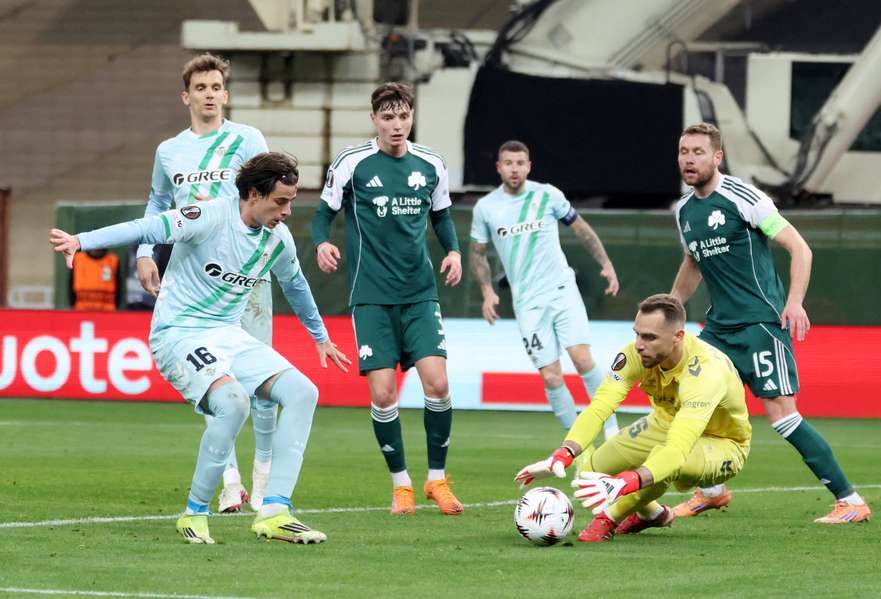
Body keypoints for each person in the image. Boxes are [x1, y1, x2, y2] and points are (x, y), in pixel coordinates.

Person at [51, 152, 351, 544]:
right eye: (281, 201)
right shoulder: (208, 217)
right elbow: (148, 226)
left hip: (228, 333)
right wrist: (81, 240)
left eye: (291, 201)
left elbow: (296, 286)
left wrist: (321, 337)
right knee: (234, 403)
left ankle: (275, 510)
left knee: (302, 391)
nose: (288, 211)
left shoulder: (278, 240)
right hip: (178, 332)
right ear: (254, 195)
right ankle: (195, 513)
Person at [670, 123, 870, 523]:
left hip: (760, 323)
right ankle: (711, 492)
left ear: (717, 157)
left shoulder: (742, 197)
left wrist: (794, 303)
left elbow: (799, 247)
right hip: (717, 331)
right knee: (693, 402)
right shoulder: (684, 211)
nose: (689, 159)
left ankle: (850, 501)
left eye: (697, 152)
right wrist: (671, 306)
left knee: (782, 415)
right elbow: (694, 262)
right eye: (683, 151)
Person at [311, 82, 464, 516]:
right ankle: (402, 486)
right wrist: (322, 243)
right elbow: (323, 215)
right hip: (371, 296)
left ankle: (437, 480)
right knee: (382, 395)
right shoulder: (351, 164)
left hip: (420, 294)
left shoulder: (431, 164)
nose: (397, 125)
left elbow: (442, 216)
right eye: (388, 117)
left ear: (411, 117)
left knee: (438, 383)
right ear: (374, 119)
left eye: (404, 116)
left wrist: (452, 251)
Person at [136, 53, 275, 513]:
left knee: (264, 386)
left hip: (246, 276)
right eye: (201, 88)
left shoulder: (246, 139)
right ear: (186, 96)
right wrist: (143, 250)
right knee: (218, 383)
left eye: (217, 87)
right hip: (194, 283)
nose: (210, 95)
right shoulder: (169, 151)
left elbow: (270, 195)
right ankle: (231, 484)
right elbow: (157, 201)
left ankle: (263, 483)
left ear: (226, 95)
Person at [515, 294, 751, 543]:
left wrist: (627, 481)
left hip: (723, 443)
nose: (639, 344)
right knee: (589, 474)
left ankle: (609, 519)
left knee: (668, 463)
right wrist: (564, 453)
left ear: (678, 337)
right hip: (665, 422)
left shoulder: (705, 373)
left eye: (649, 337)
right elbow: (600, 406)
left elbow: (676, 449)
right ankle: (654, 514)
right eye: (637, 334)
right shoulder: (635, 354)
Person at [469, 140, 620, 444]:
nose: (515, 169)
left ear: (529, 166)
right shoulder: (486, 208)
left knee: (581, 358)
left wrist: (605, 263)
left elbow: (582, 229)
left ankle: (612, 431)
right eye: (508, 163)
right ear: (499, 167)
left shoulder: (548, 195)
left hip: (562, 290)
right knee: (551, 375)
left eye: (520, 163)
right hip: (527, 303)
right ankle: (579, 448)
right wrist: (487, 291)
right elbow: (477, 253)